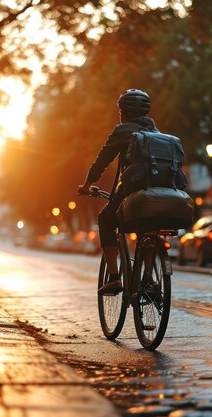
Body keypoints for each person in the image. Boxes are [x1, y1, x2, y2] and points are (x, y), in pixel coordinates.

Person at [78, 89, 157, 295]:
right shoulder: (156, 133)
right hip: (160, 193)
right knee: (149, 230)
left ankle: (113, 277)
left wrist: (87, 185)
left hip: (134, 193)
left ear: (122, 112)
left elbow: (101, 161)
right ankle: (148, 278)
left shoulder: (124, 131)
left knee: (105, 219)